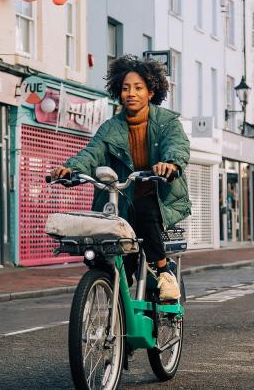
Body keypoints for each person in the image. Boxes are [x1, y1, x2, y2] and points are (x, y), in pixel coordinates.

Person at [50, 55, 191, 301]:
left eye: (138, 88)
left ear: (150, 91)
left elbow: (176, 146)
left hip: (159, 197)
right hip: (120, 202)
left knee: (145, 208)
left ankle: (164, 271)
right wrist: (71, 169)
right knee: (112, 257)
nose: (131, 93)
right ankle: (117, 307)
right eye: (126, 88)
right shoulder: (110, 127)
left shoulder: (167, 122)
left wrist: (170, 164)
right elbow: (91, 153)